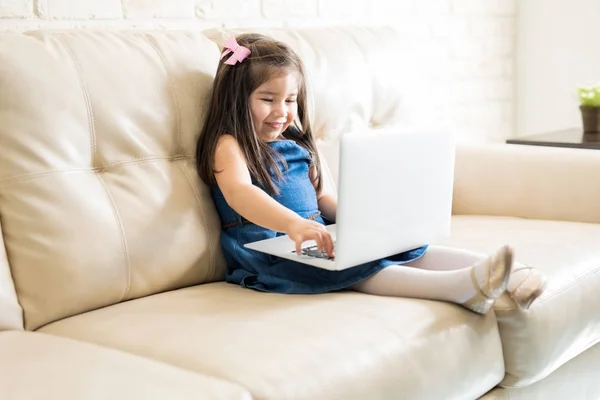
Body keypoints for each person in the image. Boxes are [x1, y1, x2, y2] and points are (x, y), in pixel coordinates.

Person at [196, 34, 547, 314]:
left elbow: (322, 200)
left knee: (408, 247)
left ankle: (512, 275)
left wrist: (363, 219)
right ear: (235, 98)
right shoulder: (230, 145)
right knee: (361, 266)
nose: (282, 111)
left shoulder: (298, 144)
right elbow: (241, 193)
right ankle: (461, 288)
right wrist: (293, 224)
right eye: (268, 99)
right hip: (268, 254)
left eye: (290, 101)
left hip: (315, 239)